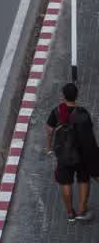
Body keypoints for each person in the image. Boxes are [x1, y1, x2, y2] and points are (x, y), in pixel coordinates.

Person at [46, 82, 98, 222]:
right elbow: (89, 134)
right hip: (81, 154)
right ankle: (82, 210)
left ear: (63, 96)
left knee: (65, 182)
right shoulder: (83, 112)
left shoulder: (56, 112)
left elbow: (50, 131)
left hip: (64, 154)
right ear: (76, 96)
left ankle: (70, 213)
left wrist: (49, 147)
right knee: (83, 179)